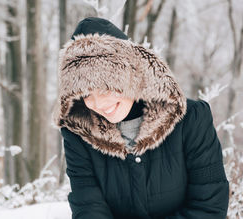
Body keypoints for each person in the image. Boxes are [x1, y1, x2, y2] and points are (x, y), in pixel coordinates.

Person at [52, 17, 229, 218]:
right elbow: (88, 208)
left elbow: (209, 207)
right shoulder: (78, 135)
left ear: (131, 75)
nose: (98, 104)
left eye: (104, 87)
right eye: (85, 95)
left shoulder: (191, 120)